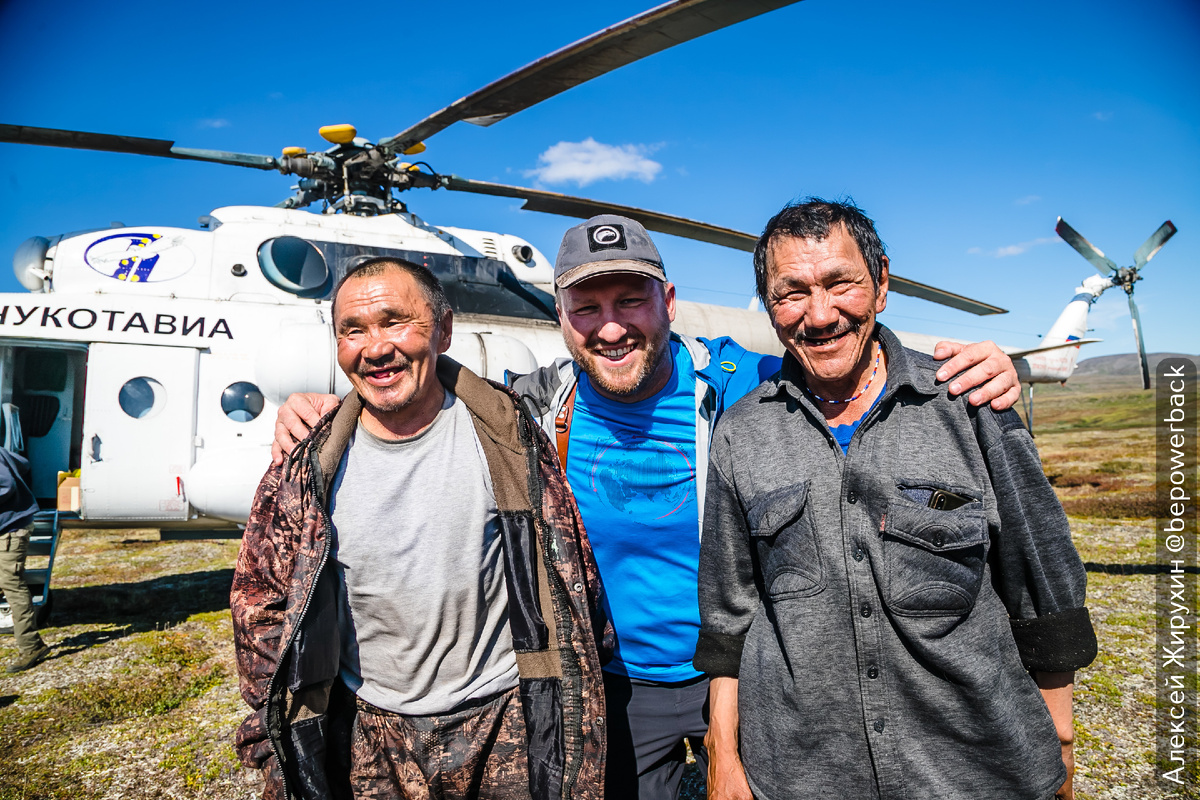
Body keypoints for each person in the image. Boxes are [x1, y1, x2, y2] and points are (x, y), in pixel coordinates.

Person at [271, 216, 1023, 800]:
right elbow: (416, 392)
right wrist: (328, 411)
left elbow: (846, 364)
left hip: (756, 673)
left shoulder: (744, 387)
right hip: (617, 683)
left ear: (668, 302)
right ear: (561, 316)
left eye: (631, 299)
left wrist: (983, 370)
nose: (611, 325)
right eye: (587, 306)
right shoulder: (534, 411)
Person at [695, 199, 1098, 800]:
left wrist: (1058, 736)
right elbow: (729, 615)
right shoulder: (741, 433)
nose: (820, 314)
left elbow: (1042, 580)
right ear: (770, 305)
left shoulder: (969, 402)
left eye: (841, 283)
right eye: (791, 293)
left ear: (881, 284)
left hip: (974, 771)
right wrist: (724, 754)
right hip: (804, 776)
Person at [232, 258, 611, 800]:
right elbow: (259, 603)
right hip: (369, 732)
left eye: (395, 322)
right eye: (353, 331)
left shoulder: (510, 436)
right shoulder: (306, 464)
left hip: (502, 724)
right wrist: (276, 727)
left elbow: (570, 570)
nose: (375, 348)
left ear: (444, 330)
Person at [0, 446, 50, 673]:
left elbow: (6, 485)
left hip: (10, 530)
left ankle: (31, 646)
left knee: (12, 584)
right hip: (11, 525)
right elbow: (23, 463)